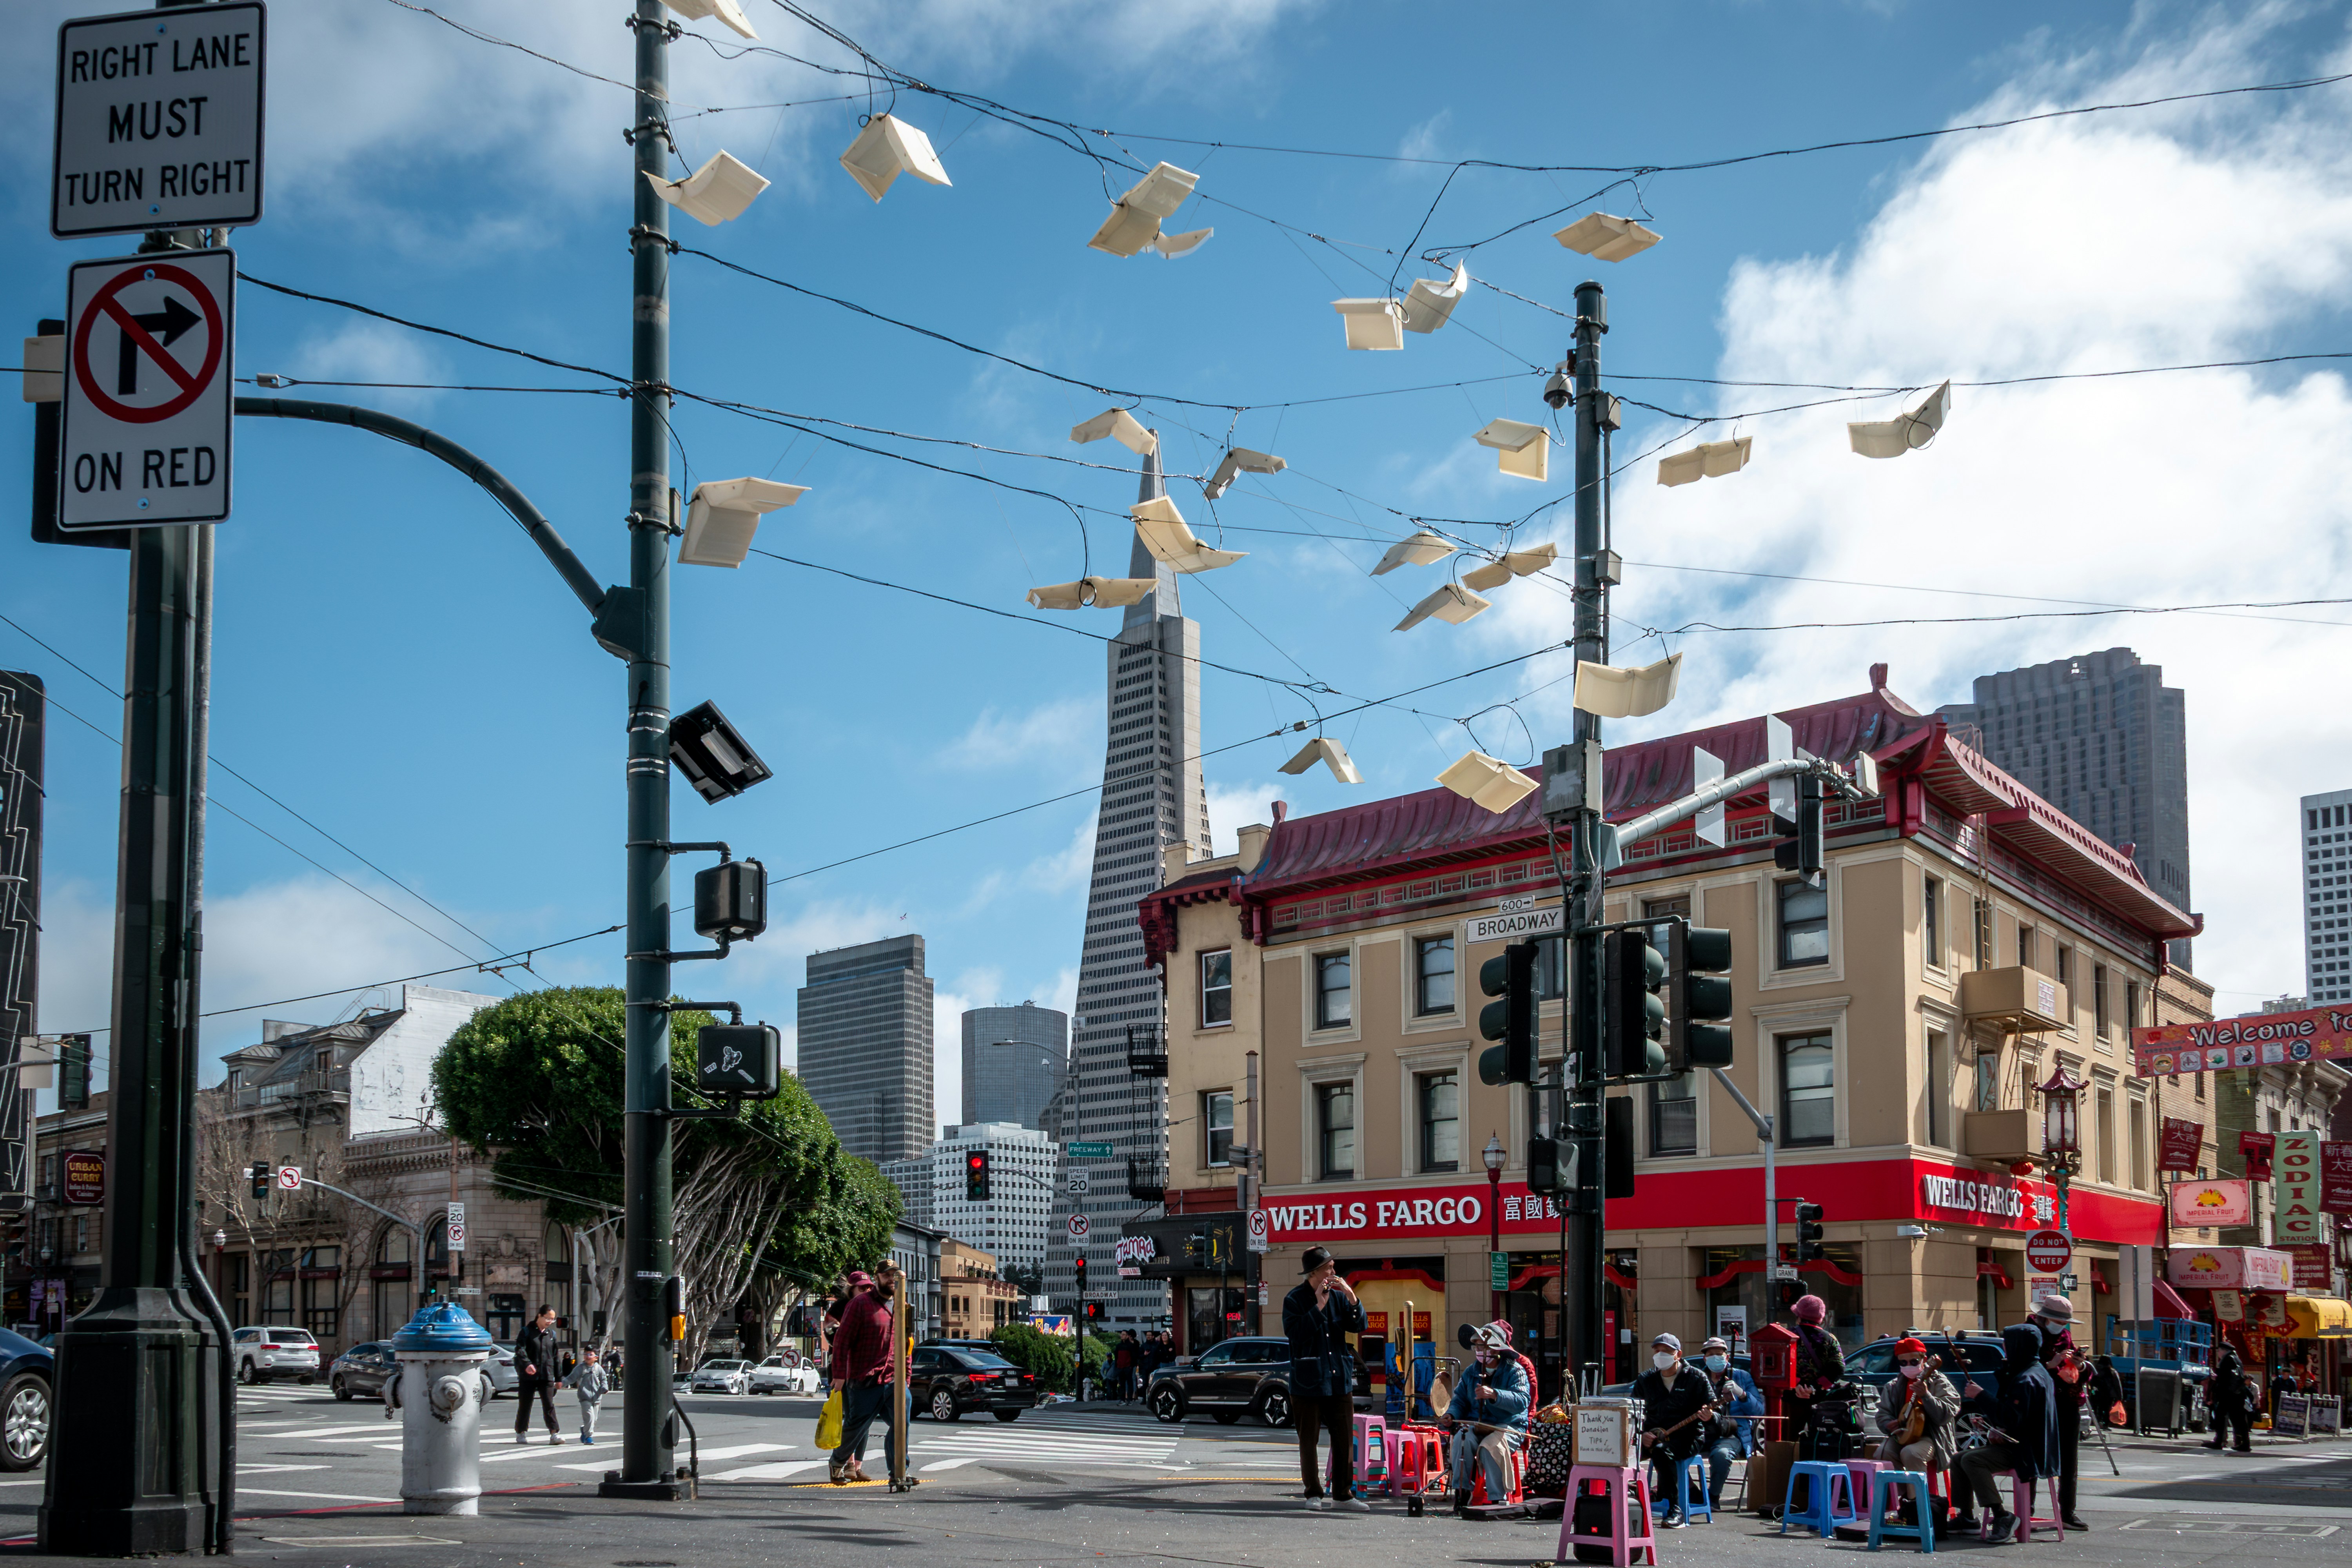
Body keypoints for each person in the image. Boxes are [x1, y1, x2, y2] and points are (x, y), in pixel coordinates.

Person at [1953, 1324, 2060, 1540]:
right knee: (1958, 1459)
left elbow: (2011, 1418)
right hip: (2025, 1444)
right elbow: (2017, 1416)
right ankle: (1967, 1517)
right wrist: (1989, 1422)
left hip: (2027, 1450)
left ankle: (2002, 1516)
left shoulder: (2027, 1379)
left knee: (1973, 1460)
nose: (2005, 1347)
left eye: (2007, 1344)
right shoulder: (2031, 1373)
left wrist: (1981, 1396)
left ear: (2017, 1347)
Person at [1282, 1246, 1367, 1511]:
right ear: (1315, 1273)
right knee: (1309, 1441)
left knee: (1343, 1439)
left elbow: (1359, 1325)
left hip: (1338, 1378)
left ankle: (1343, 1494)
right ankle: (1313, 1494)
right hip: (1308, 1382)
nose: (1333, 1272)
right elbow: (1296, 1335)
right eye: (1328, 1268)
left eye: (1333, 1267)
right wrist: (1319, 1306)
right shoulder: (1295, 1299)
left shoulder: (1340, 1297)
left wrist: (1352, 1297)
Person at [1443, 1322, 1530, 1516]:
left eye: (1485, 1347)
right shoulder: (1470, 1372)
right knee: (1461, 1440)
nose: (1480, 1351)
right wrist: (1452, 1415)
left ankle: (1498, 1499)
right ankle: (1462, 1494)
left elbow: (1523, 1400)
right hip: (1478, 1425)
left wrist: (1495, 1395)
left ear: (1498, 1349)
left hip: (1508, 1426)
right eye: (1477, 1347)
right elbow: (1460, 1401)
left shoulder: (1515, 1371)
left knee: (1491, 1447)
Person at [1873, 1338, 1960, 1531]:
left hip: (1932, 1437)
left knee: (1911, 1454)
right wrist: (1888, 1424)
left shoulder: (1939, 1381)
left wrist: (1927, 1397)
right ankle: (1905, 1499)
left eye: (1914, 1362)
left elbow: (1947, 1413)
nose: (1909, 1366)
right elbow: (1883, 1413)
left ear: (1925, 1360)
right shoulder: (1894, 1385)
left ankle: (1919, 1506)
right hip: (1903, 1435)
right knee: (1882, 1454)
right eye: (1903, 1363)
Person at [1630, 1332, 1713, 1527]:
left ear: (1678, 1354)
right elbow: (1633, 1413)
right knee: (1622, 1452)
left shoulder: (1696, 1377)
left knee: (1662, 1453)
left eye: (1666, 1351)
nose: (1661, 1355)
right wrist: (1642, 1435)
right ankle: (1623, 1501)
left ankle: (1675, 1510)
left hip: (1687, 1437)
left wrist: (1710, 1416)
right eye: (1657, 1351)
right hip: (1653, 1435)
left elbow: (1715, 1413)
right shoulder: (1646, 1379)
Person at [2027, 1294, 2088, 1530]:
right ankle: (2027, 1508)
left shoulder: (2065, 1336)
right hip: (2039, 1403)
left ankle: (2067, 1512)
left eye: (2064, 1323)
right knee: (2032, 1457)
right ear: (2043, 1317)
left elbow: (2079, 1371)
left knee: (2069, 1460)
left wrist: (2079, 1364)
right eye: (2057, 1321)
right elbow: (2020, 1368)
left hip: (2066, 1403)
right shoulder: (2029, 1334)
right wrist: (2049, 1365)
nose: (2061, 1327)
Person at [828, 1270, 893, 1484]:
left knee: (878, 1423)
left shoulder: (882, 1305)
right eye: (861, 1287)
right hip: (850, 1373)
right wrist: (839, 1375)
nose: (866, 1290)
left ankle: (857, 1467)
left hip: (884, 1375)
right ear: (851, 1289)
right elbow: (837, 1338)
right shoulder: (844, 1306)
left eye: (868, 1287)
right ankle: (844, 1463)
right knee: (855, 1421)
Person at [1692, 1335, 1765, 1514]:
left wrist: (1742, 1394)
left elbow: (1760, 1410)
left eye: (1719, 1354)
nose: (1716, 1358)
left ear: (1727, 1357)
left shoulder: (1741, 1377)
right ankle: (1695, 1496)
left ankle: (1713, 1498)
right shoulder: (1698, 1378)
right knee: (1670, 1453)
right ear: (1704, 1359)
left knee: (1722, 1455)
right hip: (1702, 1432)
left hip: (1732, 1434)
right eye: (1711, 1355)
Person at [1783, 1294, 1853, 1458]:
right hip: (1820, 1402)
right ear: (1820, 1319)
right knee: (1819, 1443)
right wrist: (1814, 1388)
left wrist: (1797, 1385)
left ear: (1799, 1316)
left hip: (1791, 1400)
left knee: (1789, 1444)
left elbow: (1780, 1365)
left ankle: (1790, 1478)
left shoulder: (1787, 1336)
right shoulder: (1830, 1339)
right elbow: (1838, 1369)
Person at [513, 1304, 564, 1445]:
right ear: (540, 1316)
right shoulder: (526, 1332)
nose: (550, 1322)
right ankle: (521, 1432)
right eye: (548, 1318)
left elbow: (555, 1357)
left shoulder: (552, 1335)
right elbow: (520, 1350)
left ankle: (555, 1434)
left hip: (546, 1375)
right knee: (525, 1404)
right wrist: (527, 1364)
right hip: (529, 1376)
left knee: (549, 1404)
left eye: (552, 1320)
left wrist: (559, 1378)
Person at [2205, 1344, 2253, 1454]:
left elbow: (2230, 1377)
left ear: (2223, 1351)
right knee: (2238, 1420)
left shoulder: (2229, 1359)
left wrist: (2217, 1378)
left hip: (2229, 1394)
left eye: (2219, 1351)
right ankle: (2243, 1443)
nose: (2218, 1353)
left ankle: (2220, 1442)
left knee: (2223, 1418)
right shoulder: (2236, 1359)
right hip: (2236, 1394)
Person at [564, 1348, 609, 1445]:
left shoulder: (598, 1368)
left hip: (597, 1398)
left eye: (590, 1355)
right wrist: (562, 1384)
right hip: (585, 1397)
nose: (588, 1357)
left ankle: (584, 1430)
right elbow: (571, 1378)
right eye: (586, 1354)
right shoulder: (581, 1368)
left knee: (594, 1419)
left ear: (596, 1358)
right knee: (589, 1417)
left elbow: (604, 1379)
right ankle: (588, 1437)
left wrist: (605, 1388)